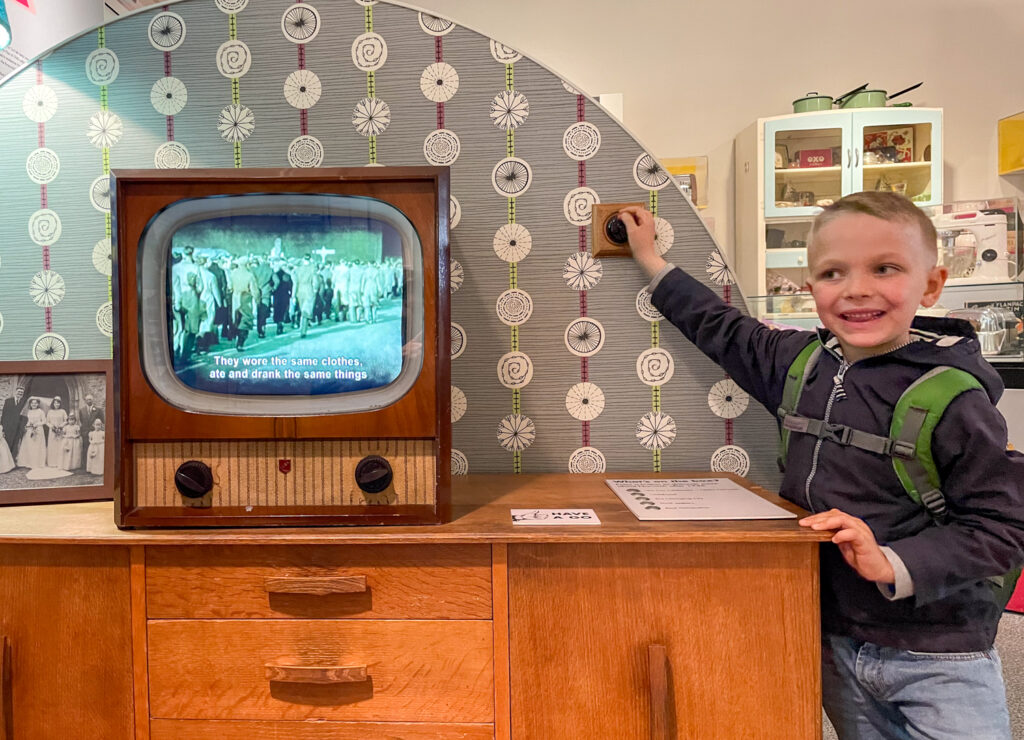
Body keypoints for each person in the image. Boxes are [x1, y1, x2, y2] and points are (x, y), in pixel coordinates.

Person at [621, 191, 1024, 740]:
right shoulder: (799, 365)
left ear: (930, 285)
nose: (857, 288)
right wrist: (648, 257)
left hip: (939, 651)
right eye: (834, 273)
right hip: (835, 638)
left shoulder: (956, 400)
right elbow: (720, 327)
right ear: (812, 290)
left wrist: (891, 561)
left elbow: (1001, 529)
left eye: (885, 268)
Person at [16, 397, 47, 469]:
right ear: (30, 404)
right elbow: (28, 420)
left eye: (35, 403)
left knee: (37, 446)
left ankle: (37, 463)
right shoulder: (29, 411)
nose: (34, 404)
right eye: (32, 403)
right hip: (30, 429)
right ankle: (29, 462)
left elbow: (44, 421)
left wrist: (37, 424)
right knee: (30, 446)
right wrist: (28, 425)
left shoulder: (40, 411)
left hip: (38, 430)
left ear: (38, 404)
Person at [0, 386, 26, 454]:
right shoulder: (8, 401)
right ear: (15, 392)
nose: (20, 393)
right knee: (7, 442)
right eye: (19, 392)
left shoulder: (24, 402)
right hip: (8, 426)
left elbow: (24, 416)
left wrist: (23, 426)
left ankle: (13, 460)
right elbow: (4, 414)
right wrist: (2, 426)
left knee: (15, 444)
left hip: (18, 427)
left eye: (22, 392)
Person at [45, 396, 67, 468]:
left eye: (58, 403)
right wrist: (52, 426)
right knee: (52, 446)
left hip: (60, 431)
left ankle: (60, 462)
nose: (56, 404)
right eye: (55, 403)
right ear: (53, 404)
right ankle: (52, 462)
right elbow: (47, 422)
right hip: (52, 431)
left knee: (60, 445)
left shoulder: (63, 411)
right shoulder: (50, 412)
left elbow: (66, 420)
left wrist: (60, 426)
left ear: (60, 404)